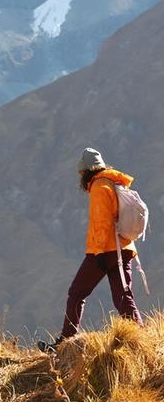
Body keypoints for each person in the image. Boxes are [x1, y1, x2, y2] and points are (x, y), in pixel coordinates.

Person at [39, 148, 144, 352]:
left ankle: (65, 343)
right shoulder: (114, 183)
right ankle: (140, 339)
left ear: (85, 171)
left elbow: (101, 223)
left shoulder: (99, 186)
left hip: (105, 250)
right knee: (123, 296)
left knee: (76, 293)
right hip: (125, 248)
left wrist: (98, 254)